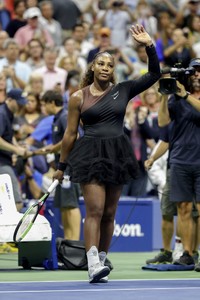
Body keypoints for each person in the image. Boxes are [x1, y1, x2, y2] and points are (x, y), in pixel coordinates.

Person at [52, 24, 161, 283]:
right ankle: (91, 263)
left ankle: (101, 260)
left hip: (118, 153)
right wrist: (61, 165)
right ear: (92, 67)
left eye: (109, 65)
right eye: (101, 63)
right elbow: (69, 135)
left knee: (110, 213)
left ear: (113, 70)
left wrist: (149, 46)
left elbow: (155, 74)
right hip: (90, 153)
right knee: (96, 210)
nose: (105, 68)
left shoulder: (123, 89)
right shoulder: (78, 97)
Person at [158, 57, 200, 268]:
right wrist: (164, 96)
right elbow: (163, 122)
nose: (198, 75)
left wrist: (186, 95)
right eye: (194, 71)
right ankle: (188, 253)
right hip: (181, 160)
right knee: (183, 209)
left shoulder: (186, 96)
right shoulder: (176, 98)